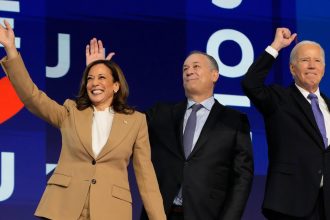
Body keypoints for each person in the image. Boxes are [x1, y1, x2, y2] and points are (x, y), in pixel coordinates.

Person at [0, 20, 166, 220]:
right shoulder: (71, 111)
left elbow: (146, 177)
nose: (94, 82)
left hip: (110, 212)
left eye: (102, 78)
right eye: (90, 78)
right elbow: (31, 96)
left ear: (116, 86)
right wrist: (11, 50)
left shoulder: (136, 122)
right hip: (63, 208)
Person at [86, 41, 254, 220]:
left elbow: (242, 178)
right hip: (160, 213)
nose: (189, 71)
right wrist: (98, 75)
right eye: (185, 68)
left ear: (215, 75)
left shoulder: (234, 121)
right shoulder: (161, 113)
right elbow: (123, 120)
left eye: (196, 66)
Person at [242, 28, 330, 220]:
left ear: (323, 69)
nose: (312, 66)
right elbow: (250, 84)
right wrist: (276, 46)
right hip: (290, 203)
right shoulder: (279, 99)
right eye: (305, 60)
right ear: (292, 68)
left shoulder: (328, 106)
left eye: (317, 61)